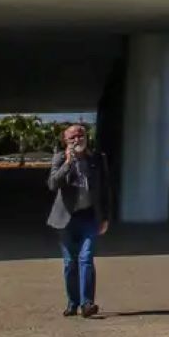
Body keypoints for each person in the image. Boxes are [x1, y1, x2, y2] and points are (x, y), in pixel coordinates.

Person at [47, 125, 112, 318]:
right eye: (72, 137)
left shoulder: (98, 159)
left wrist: (106, 217)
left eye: (80, 135)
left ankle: (87, 304)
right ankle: (72, 302)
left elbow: (105, 188)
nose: (77, 139)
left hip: (89, 217)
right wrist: (68, 162)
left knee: (86, 258)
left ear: (86, 137)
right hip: (66, 219)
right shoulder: (59, 158)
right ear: (65, 141)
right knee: (70, 263)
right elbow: (52, 184)